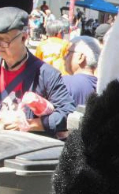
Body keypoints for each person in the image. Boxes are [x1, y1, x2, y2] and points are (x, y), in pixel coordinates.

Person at [0, 7, 75, 137]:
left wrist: (30, 124)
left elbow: (68, 113)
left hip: (23, 152)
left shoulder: (46, 74)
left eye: (4, 40)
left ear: (24, 37)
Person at [63, 36, 100, 106]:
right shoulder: (101, 86)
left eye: (68, 53)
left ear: (81, 57)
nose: (64, 57)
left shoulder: (65, 83)